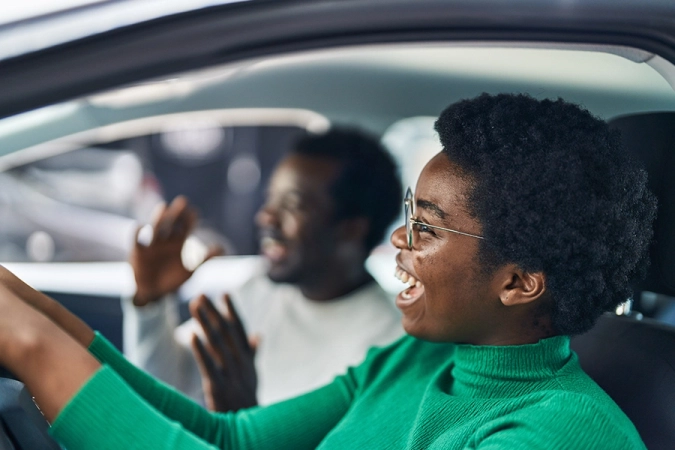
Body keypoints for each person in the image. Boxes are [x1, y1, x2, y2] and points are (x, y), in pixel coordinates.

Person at [0, 93, 654, 449]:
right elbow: (228, 439)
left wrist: (34, 348)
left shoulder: (553, 434)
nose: (398, 238)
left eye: (427, 226)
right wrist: (32, 309)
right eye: (409, 213)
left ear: (518, 282)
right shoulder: (419, 359)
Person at [123, 128, 404, 409]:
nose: (266, 216)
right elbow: (164, 389)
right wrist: (152, 301)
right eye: (270, 198)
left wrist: (244, 419)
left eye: (292, 204)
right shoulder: (259, 292)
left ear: (351, 229)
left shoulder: (391, 342)